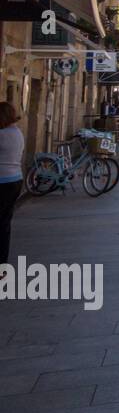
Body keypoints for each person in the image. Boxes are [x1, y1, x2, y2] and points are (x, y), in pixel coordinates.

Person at [0, 102, 22, 283]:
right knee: (4, 225)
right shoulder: (17, 133)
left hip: (2, 182)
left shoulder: (2, 135)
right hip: (15, 180)